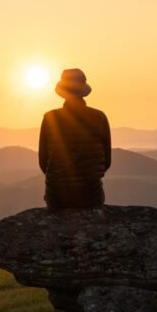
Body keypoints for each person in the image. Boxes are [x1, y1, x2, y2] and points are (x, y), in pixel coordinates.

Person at [38, 68, 112, 209]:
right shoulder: (99, 117)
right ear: (83, 90)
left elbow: (43, 161)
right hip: (90, 197)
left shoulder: (50, 118)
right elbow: (106, 162)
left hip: (57, 198)